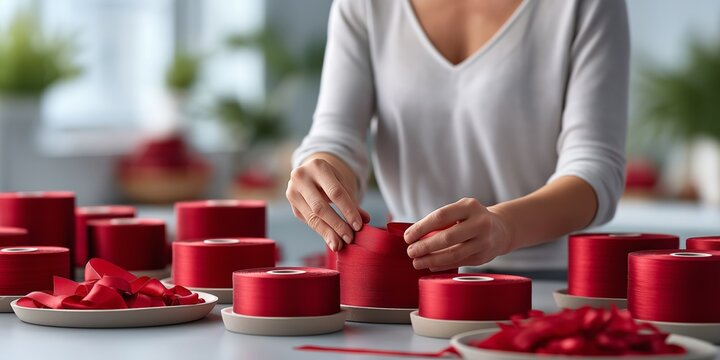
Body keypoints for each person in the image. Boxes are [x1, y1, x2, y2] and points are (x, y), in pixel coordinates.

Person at [286, 0, 629, 278]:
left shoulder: (584, 6)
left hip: (544, 281)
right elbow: (336, 136)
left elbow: (595, 170)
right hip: (408, 279)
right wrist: (323, 171)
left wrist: (506, 228)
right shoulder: (364, 6)